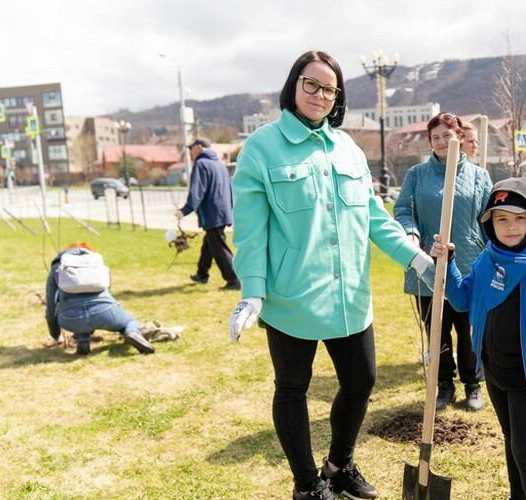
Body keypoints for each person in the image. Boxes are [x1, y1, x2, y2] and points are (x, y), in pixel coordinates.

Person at [227, 50, 436, 500]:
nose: (320, 95)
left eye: (330, 89)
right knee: (292, 390)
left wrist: (414, 257)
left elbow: (375, 217)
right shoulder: (261, 147)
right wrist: (253, 292)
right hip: (290, 299)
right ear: (294, 84)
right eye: (312, 84)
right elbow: (250, 231)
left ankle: (339, 465)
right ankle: (307, 485)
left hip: (349, 296)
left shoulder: (347, 147)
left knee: (361, 381)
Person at [430, 177, 526, 500]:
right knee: (512, 441)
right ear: (491, 224)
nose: (510, 226)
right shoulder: (488, 260)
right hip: (496, 374)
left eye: (519, 218)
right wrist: (448, 263)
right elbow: (461, 299)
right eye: (502, 219)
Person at [394, 112, 493, 412]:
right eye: (434, 137)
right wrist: (410, 233)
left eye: (446, 136)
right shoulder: (416, 176)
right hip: (428, 266)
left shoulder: (480, 177)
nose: (440, 142)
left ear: (459, 138)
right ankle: (444, 385)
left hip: (467, 266)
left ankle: (472, 384)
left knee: (468, 331)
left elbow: (490, 221)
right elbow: (403, 210)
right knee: (437, 331)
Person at [43, 242, 155, 355]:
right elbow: (108, 293)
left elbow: (50, 309)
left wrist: (55, 336)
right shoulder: (97, 263)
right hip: (104, 312)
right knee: (130, 321)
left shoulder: (58, 266)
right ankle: (132, 332)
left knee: (78, 312)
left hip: (70, 319)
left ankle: (83, 340)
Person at [174, 138, 240, 291]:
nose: (190, 153)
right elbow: (229, 190)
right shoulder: (220, 166)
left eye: (191, 149)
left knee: (219, 248)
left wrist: (184, 211)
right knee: (209, 244)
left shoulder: (201, 164)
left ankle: (233, 280)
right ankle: (202, 274)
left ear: (199, 147)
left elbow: (198, 191)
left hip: (212, 213)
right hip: (222, 213)